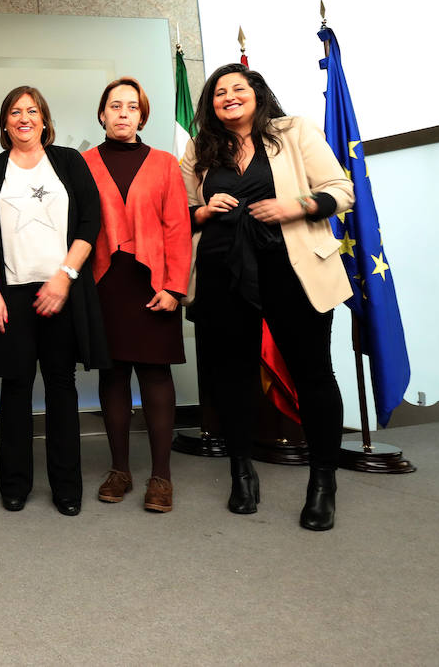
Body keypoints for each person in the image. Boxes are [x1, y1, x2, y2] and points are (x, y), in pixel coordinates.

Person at [182, 63, 353, 530]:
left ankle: (323, 483)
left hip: (291, 272)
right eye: (219, 92)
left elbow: (342, 190)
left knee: (313, 374)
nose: (229, 97)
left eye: (239, 88)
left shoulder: (292, 132)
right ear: (210, 104)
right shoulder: (200, 148)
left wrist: (293, 206)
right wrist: (202, 212)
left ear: (256, 93)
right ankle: (242, 472)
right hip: (222, 276)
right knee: (231, 378)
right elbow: (180, 212)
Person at [0, 85, 109, 517]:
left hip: (62, 290)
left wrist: (64, 278)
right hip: (10, 295)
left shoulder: (70, 162)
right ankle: (14, 484)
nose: (24, 118)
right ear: (5, 122)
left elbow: (91, 222)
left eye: (32, 111)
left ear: (45, 120)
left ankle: (67, 487)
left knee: (61, 387)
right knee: (14, 389)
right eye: (15, 112)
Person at [83, 78, 191, 514]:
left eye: (132, 107)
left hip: (154, 283)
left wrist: (174, 287)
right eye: (115, 106)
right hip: (103, 283)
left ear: (142, 116)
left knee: (155, 377)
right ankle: (120, 470)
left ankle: (161, 477)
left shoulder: (165, 163)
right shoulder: (81, 163)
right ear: (102, 114)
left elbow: (178, 228)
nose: (123, 113)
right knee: (112, 376)